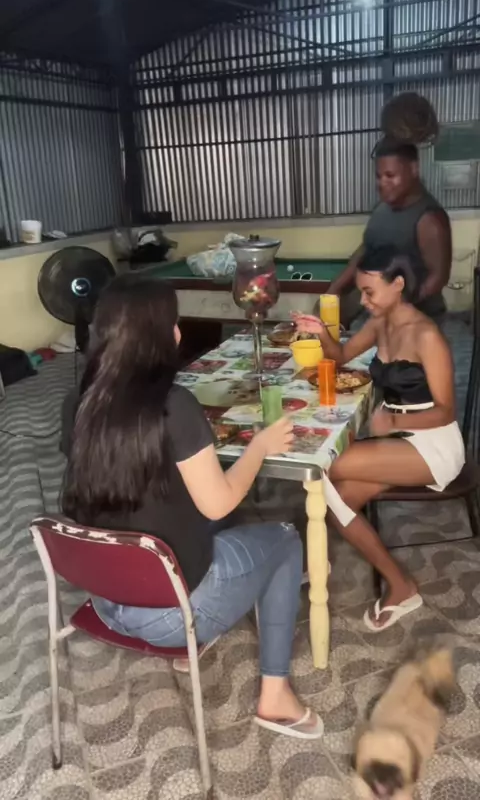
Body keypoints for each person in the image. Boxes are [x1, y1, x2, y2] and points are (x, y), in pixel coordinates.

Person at [62, 273, 323, 739]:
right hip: (169, 611)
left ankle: (197, 637)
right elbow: (219, 501)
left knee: (210, 513)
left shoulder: (79, 401)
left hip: (104, 598)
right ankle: (275, 696)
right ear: (158, 336)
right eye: (173, 322)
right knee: (284, 540)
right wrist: (259, 447)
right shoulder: (173, 405)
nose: (179, 331)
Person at [293, 246, 465, 632]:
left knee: (323, 468)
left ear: (398, 284)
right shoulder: (379, 323)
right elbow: (339, 356)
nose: (363, 300)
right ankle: (368, 575)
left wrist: (392, 420)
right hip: (398, 440)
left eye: (370, 291)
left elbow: (446, 411)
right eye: (362, 292)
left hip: (433, 444)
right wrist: (320, 332)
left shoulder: (426, 335)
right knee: (338, 500)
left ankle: (391, 583)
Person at [328, 139, 452, 325]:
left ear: (413, 169)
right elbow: (365, 251)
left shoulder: (430, 219)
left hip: (416, 323)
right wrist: (334, 290)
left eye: (390, 175)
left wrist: (396, 307)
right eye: (379, 176)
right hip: (378, 316)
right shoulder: (381, 210)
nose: (382, 183)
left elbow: (438, 277)